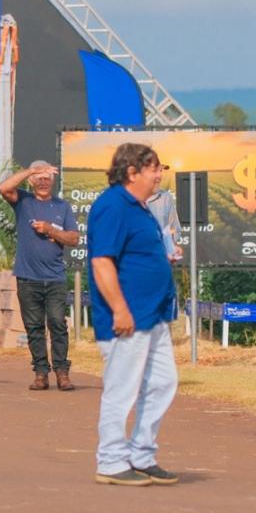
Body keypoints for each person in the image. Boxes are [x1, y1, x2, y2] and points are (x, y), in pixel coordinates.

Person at [87, 142, 179, 487]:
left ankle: (141, 454)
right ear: (132, 172)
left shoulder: (141, 207)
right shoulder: (112, 205)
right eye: (154, 168)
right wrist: (120, 309)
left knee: (163, 382)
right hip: (128, 317)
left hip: (153, 315)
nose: (159, 175)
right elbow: (102, 262)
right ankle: (111, 461)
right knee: (122, 389)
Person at [0, 161, 80, 391]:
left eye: (47, 178)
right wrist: (31, 170)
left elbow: (74, 239)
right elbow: (4, 188)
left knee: (57, 323)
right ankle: (41, 373)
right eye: (39, 178)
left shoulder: (62, 206)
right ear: (32, 181)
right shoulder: (24, 201)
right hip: (27, 276)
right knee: (34, 327)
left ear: (53, 181)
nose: (43, 182)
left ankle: (62, 372)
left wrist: (51, 230)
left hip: (55, 277)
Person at [145, 169, 183, 263]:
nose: (160, 175)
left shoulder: (165, 197)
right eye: (154, 171)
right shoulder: (125, 200)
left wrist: (171, 248)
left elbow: (174, 229)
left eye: (160, 171)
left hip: (161, 264)